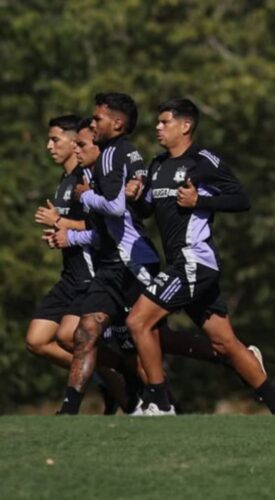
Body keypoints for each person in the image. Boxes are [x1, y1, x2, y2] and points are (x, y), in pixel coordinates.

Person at [125, 97, 275, 416]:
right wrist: (136, 198)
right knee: (225, 345)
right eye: (158, 122)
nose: (158, 127)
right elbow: (148, 210)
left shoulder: (203, 161)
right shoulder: (157, 165)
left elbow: (241, 199)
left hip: (194, 261)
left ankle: (159, 403)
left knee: (138, 321)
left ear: (186, 125)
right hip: (183, 265)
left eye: (164, 122)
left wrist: (199, 202)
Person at [57, 92, 162, 415]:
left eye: (82, 144)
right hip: (109, 266)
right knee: (84, 332)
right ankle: (68, 410)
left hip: (135, 262)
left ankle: (163, 400)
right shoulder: (98, 166)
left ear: (116, 124)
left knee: (147, 339)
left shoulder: (117, 154)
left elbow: (117, 209)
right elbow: (102, 230)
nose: (77, 148)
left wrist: (87, 198)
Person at [28, 115, 87, 370]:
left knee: (68, 337)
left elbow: (101, 227)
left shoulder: (86, 180)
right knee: (36, 340)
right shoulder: (64, 181)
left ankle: (117, 378)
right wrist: (57, 235)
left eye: (55, 140)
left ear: (75, 142)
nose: (49, 146)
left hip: (90, 277)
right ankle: (102, 375)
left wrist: (60, 222)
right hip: (69, 276)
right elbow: (69, 229)